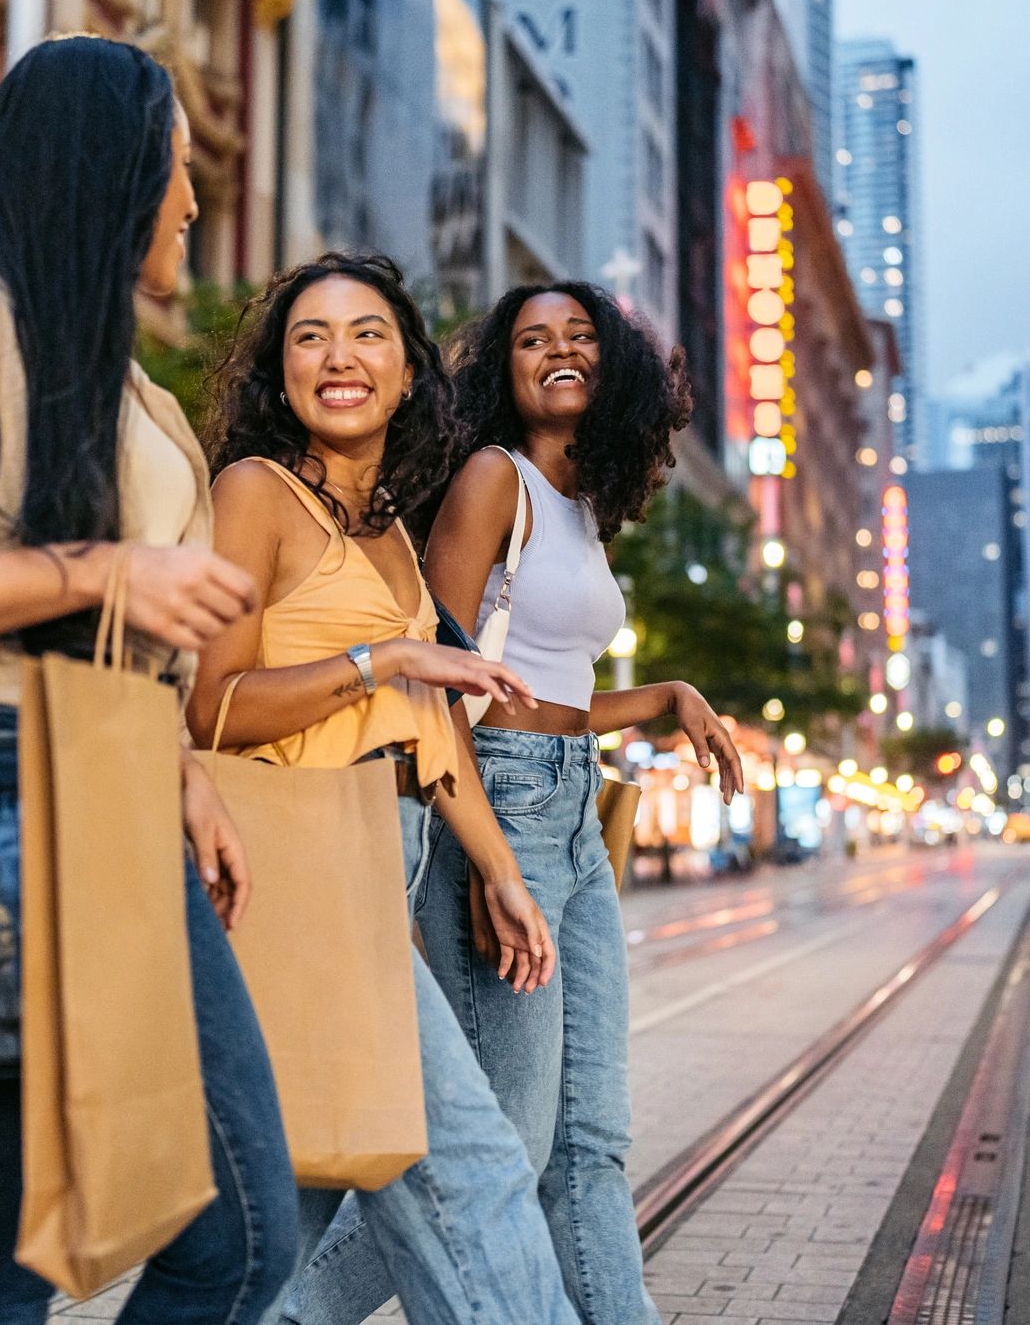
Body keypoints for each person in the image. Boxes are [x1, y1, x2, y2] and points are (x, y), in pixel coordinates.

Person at [0, 36, 297, 1324]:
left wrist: (184, 770)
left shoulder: (138, 395)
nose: (192, 199)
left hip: (118, 786)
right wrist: (98, 572)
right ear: (108, 168)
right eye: (177, 166)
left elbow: (140, 628)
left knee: (245, 1232)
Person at [188, 251, 579, 1325]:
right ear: (281, 372)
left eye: (368, 333)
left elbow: (432, 723)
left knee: (282, 1213)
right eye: (310, 336)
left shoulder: (395, 533)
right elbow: (209, 708)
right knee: (471, 1166)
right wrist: (376, 662)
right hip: (290, 868)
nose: (339, 356)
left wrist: (502, 871)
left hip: (373, 866)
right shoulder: (254, 494)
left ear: (410, 370)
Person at [409, 281, 742, 1323]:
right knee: (501, 1150)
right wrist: (486, 860)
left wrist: (672, 696)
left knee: (592, 1139)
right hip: (497, 805)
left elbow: (555, 693)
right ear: (503, 371)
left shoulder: (581, 506)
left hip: (573, 809)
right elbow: (439, 683)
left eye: (580, 336)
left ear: (614, 368)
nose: (558, 350)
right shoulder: (488, 481)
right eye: (532, 339)